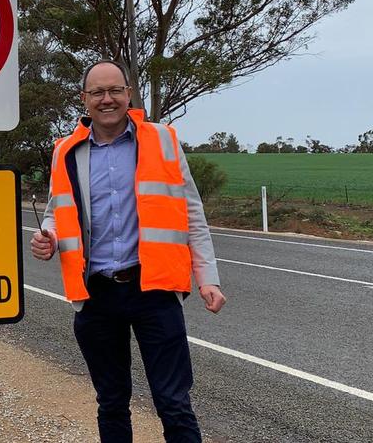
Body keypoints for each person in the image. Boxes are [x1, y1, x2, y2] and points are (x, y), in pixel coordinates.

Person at [30, 59, 226, 443]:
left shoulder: (163, 140)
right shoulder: (65, 153)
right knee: (112, 402)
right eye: (98, 92)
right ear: (84, 99)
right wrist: (48, 237)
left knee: (173, 401)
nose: (107, 99)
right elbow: (57, 211)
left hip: (153, 289)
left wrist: (207, 279)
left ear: (128, 94)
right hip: (96, 294)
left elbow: (192, 215)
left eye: (115, 90)